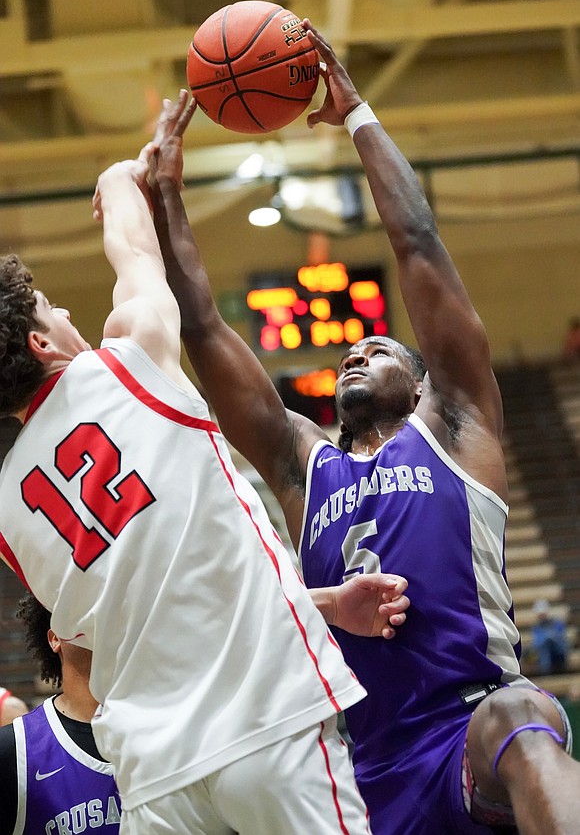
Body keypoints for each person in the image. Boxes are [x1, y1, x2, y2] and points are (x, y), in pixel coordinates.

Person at [150, 22, 580, 835]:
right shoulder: (300, 462)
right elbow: (202, 327)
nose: (355, 349)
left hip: (464, 735)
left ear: (421, 383)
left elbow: (416, 240)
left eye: (379, 347)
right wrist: (167, 195)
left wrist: (356, 116)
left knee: (522, 713)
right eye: (352, 347)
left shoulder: (454, 427)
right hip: (349, 767)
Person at [0, 91, 409, 835]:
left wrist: (324, 604)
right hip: (269, 720)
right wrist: (127, 177)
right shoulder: (128, 360)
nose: (65, 317)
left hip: (156, 778)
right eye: (54, 310)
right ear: (38, 343)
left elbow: (141, 613)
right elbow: (134, 256)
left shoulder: (5, 513)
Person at [0, 593, 120, 835]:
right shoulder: (14, 749)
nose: (98, 619)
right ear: (55, 637)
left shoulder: (169, 729)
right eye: (84, 610)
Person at [530, 598, 570, 675]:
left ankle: (547, 670)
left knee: (548, 640)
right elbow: (537, 643)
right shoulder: (536, 627)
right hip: (546, 652)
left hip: (558, 652)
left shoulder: (557, 623)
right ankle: (546, 671)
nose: (542, 616)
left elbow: (562, 639)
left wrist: (550, 638)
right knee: (545, 643)